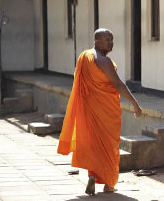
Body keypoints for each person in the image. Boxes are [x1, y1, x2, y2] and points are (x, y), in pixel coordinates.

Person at [57, 28, 143, 195]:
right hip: (105, 112)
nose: (111, 43)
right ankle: (109, 184)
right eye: (107, 39)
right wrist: (135, 103)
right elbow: (118, 84)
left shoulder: (85, 56)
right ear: (97, 41)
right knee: (109, 146)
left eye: (112, 39)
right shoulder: (103, 60)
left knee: (94, 145)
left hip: (92, 109)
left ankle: (92, 176)